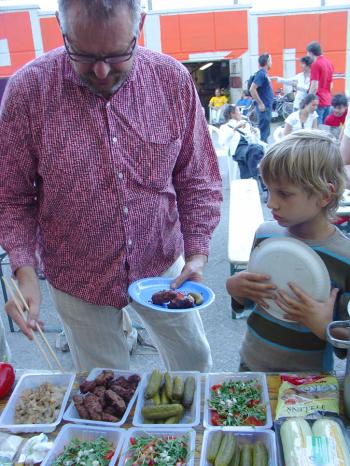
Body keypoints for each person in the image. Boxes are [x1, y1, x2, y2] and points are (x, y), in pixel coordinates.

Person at [0, 0, 222, 372]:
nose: (101, 71)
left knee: (194, 362)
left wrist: (197, 253)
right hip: (77, 274)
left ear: (141, 25)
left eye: (118, 54)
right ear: (60, 25)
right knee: (105, 383)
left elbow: (197, 177)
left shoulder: (171, 80)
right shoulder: (29, 90)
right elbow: (11, 195)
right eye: (83, 55)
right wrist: (24, 270)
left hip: (162, 265)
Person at [226, 130, 350, 372]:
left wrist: (326, 326)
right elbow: (252, 302)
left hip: (309, 385)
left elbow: (344, 345)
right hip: (251, 367)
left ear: (324, 194)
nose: (271, 203)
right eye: (268, 190)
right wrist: (235, 290)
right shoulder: (265, 235)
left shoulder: (344, 258)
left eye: (284, 193)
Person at [219, 104, 265, 179]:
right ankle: (257, 177)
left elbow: (255, 140)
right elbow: (222, 141)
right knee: (255, 150)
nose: (240, 113)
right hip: (237, 149)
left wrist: (255, 132)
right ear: (232, 114)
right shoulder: (224, 127)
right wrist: (235, 128)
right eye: (238, 111)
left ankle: (250, 177)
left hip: (249, 147)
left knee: (254, 150)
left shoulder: (244, 123)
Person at [307, 41, 334, 124]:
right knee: (325, 129)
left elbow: (314, 86)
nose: (307, 55)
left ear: (311, 53)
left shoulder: (315, 64)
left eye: (307, 53)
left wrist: (308, 101)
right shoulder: (329, 63)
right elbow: (331, 85)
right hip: (328, 101)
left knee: (316, 129)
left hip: (318, 102)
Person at [249, 53, 274, 143]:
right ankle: (262, 153)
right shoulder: (261, 74)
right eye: (270, 60)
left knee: (265, 132)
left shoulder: (263, 74)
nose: (271, 62)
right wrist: (260, 103)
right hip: (264, 107)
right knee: (263, 133)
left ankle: (263, 151)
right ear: (267, 62)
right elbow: (252, 89)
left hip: (266, 106)